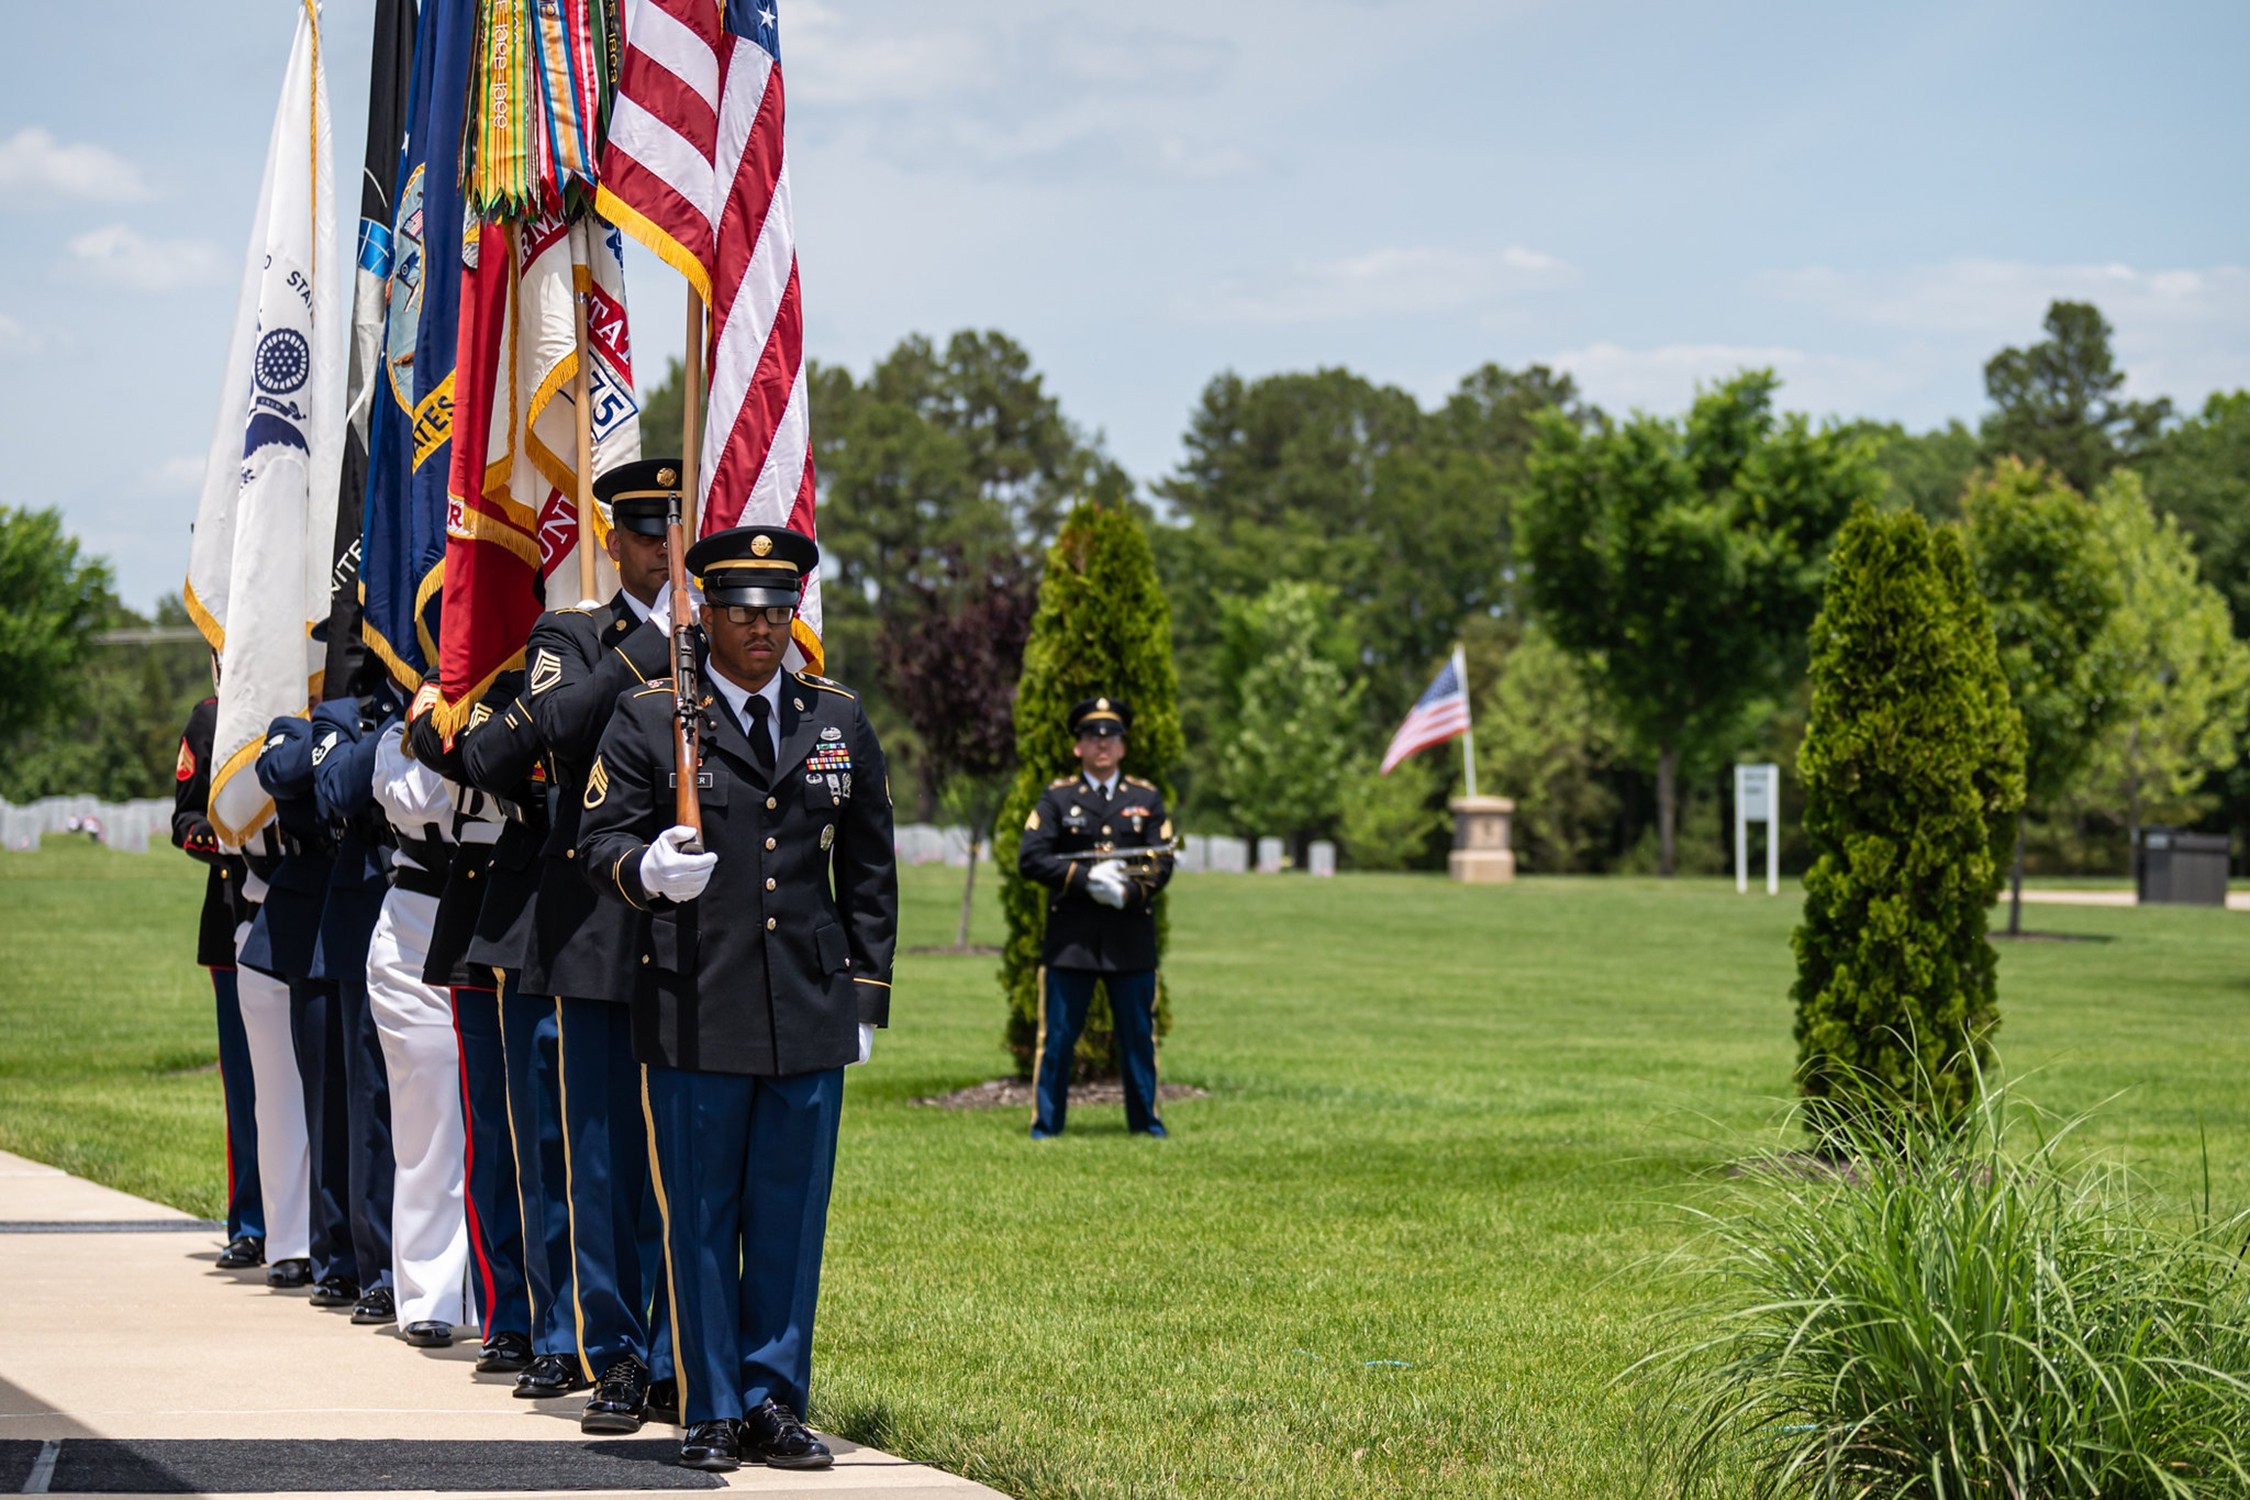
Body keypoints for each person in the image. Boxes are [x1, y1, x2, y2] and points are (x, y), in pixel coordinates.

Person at [578, 524, 897, 1473]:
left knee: (790, 1217)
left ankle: (771, 1398)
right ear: (705, 613)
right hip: (695, 1000)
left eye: (780, 610)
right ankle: (711, 1405)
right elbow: (595, 846)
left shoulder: (836, 719)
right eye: (745, 611)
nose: (765, 629)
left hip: (807, 1004)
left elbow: (870, 870)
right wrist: (647, 867)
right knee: (704, 1215)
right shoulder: (649, 720)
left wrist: (865, 1001)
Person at [517, 462, 682, 1432]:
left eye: (676, 530)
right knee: (609, 1159)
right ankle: (615, 1353)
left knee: (691, 1161)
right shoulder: (573, 635)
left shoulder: (731, 642)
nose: (665, 550)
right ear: (611, 541)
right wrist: (649, 650)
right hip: (598, 931)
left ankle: (676, 1352)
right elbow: (552, 727)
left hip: (699, 936)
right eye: (646, 533)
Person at [452, 676, 583, 1400]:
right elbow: (476, 761)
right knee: (526, 1143)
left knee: (621, 1153)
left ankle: (633, 1340)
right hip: (526, 911)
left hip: (629, 914)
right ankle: (537, 1320)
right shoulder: (508, 679)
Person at [407, 682, 535, 1376]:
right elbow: (442, 748)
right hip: (484, 900)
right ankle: (510, 1316)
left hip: (575, 897)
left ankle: (574, 1318)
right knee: (495, 1129)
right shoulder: (459, 680)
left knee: (573, 1138)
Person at [1015, 697, 1176, 1140]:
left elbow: (1162, 862)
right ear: (1078, 748)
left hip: (1130, 937)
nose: (1102, 744)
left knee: (1139, 1038)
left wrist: (1127, 891)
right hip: (1073, 940)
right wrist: (1086, 880)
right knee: (1059, 1039)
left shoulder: (1145, 798)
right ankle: (1047, 1125)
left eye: (1111, 737)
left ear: (1123, 747)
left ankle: (1146, 1123)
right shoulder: (1058, 797)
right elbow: (1031, 858)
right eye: (1091, 737)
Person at [367, 717, 473, 1347]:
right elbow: (417, 796)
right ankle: (430, 1294)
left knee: (505, 1124)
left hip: (499, 916)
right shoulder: (395, 737)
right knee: (429, 1124)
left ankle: (503, 1305)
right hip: (416, 927)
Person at [247, 717, 356, 1303]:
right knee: (323, 1099)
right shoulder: (294, 727)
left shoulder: (373, 720)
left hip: (371, 896)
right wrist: (330, 729)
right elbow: (281, 774)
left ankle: (373, 1252)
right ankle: (333, 1251)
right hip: (311, 916)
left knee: (373, 1107)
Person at [309, 693, 401, 1328]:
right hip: (363, 912)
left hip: (440, 902)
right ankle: (378, 1269)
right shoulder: (339, 717)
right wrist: (399, 733)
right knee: (368, 1105)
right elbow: (336, 787)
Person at [171, 693, 264, 1270]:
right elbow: (183, 817)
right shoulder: (210, 717)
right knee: (246, 1084)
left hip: (305, 908)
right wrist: (222, 832)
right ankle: (251, 1222)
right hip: (231, 913)